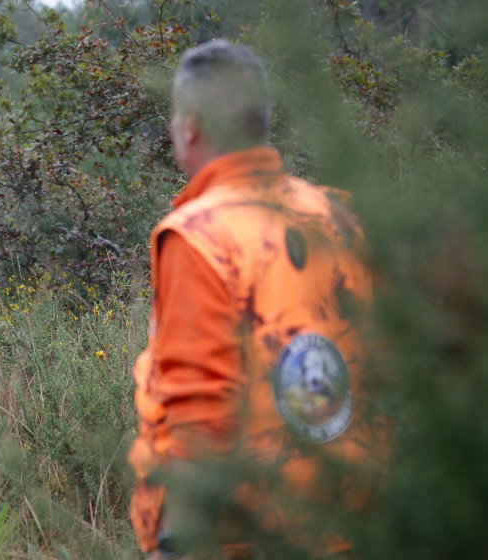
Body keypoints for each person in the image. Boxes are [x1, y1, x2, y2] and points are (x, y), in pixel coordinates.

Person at [128, 41, 380, 559]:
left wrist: (176, 546)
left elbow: (200, 417)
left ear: (190, 125)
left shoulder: (199, 236)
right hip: (351, 526)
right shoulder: (338, 217)